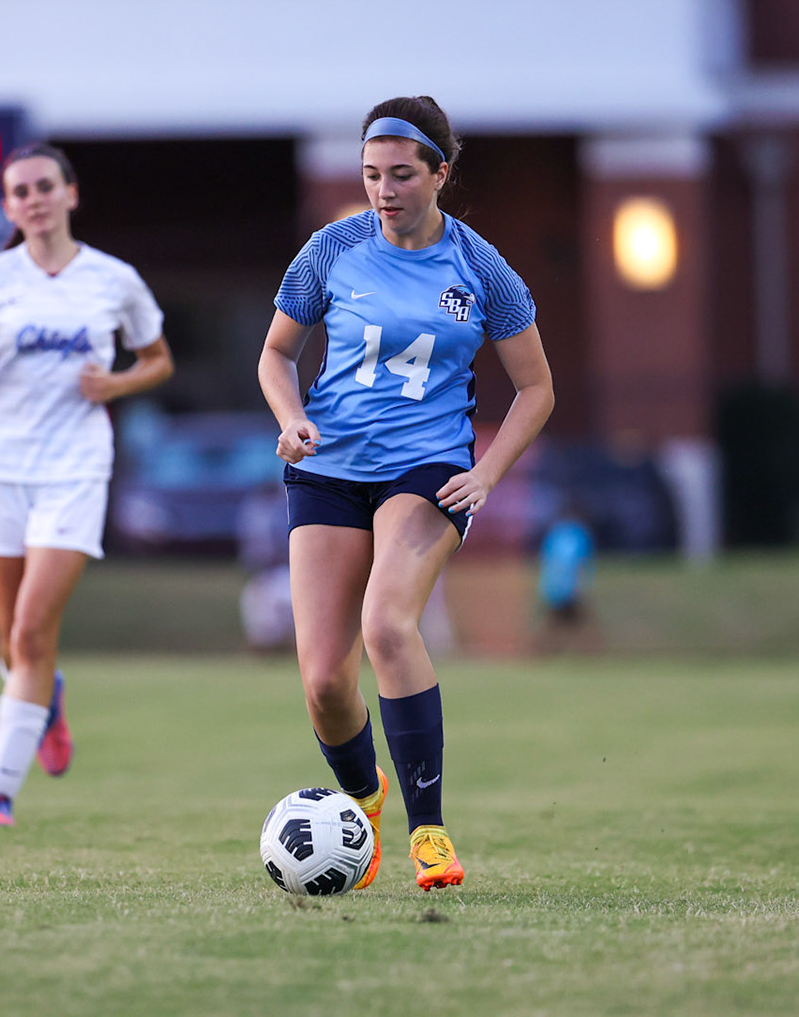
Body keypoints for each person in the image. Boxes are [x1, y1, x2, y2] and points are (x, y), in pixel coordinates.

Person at [258, 96, 554, 891]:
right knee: (324, 681)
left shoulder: (481, 268)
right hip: (328, 467)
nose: (384, 191)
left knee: (387, 625)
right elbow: (277, 355)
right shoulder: (331, 250)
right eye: (370, 175)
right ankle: (362, 803)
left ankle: (430, 831)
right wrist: (291, 420)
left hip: (427, 468)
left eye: (400, 175)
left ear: (439, 174)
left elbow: (536, 389)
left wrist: (488, 473)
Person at [0, 143, 173, 828]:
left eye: (43, 186)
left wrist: (115, 383)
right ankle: (47, 702)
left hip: (75, 470)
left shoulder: (113, 279)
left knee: (32, 631)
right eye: (19, 191)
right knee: (13, 644)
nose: (32, 199)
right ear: (9, 206)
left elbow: (157, 360)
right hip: (0, 468)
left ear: (70, 194)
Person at [532, 505, 602, 655]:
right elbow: (581, 563)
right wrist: (580, 586)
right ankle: (592, 652)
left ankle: (540, 651)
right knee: (577, 621)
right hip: (570, 588)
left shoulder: (555, 533)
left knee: (557, 623)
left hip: (553, 587)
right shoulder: (580, 534)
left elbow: (546, 561)